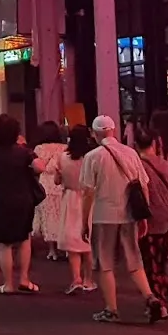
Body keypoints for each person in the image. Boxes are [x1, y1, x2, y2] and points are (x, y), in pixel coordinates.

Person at [79, 115, 162, 324]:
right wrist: (143, 216)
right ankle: (150, 298)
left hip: (103, 215)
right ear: (114, 131)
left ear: (95, 133)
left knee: (105, 263)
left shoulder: (93, 156)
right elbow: (143, 185)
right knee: (134, 260)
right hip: (129, 214)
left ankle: (111, 309)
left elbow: (88, 192)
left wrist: (83, 221)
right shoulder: (131, 153)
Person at [0, 113, 40, 294]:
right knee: (24, 239)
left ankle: (8, 284)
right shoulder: (23, 151)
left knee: (5, 244)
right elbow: (40, 166)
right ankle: (24, 279)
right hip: (23, 199)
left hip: (1, 199)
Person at [134, 123, 168, 314]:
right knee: (161, 262)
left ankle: (157, 303)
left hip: (148, 221)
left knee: (149, 264)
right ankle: (162, 296)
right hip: (167, 218)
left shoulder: (136, 166)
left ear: (135, 144)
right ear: (155, 143)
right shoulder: (166, 165)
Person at [54, 124, 98, 294]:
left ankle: (76, 279)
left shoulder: (63, 157)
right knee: (88, 240)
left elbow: (57, 181)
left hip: (70, 198)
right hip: (89, 199)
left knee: (72, 242)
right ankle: (88, 280)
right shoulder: (91, 157)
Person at [30, 121, 68, 260]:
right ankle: (64, 247)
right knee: (61, 216)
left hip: (45, 185)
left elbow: (35, 167)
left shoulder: (39, 148)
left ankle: (52, 250)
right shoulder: (64, 148)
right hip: (61, 184)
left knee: (48, 216)